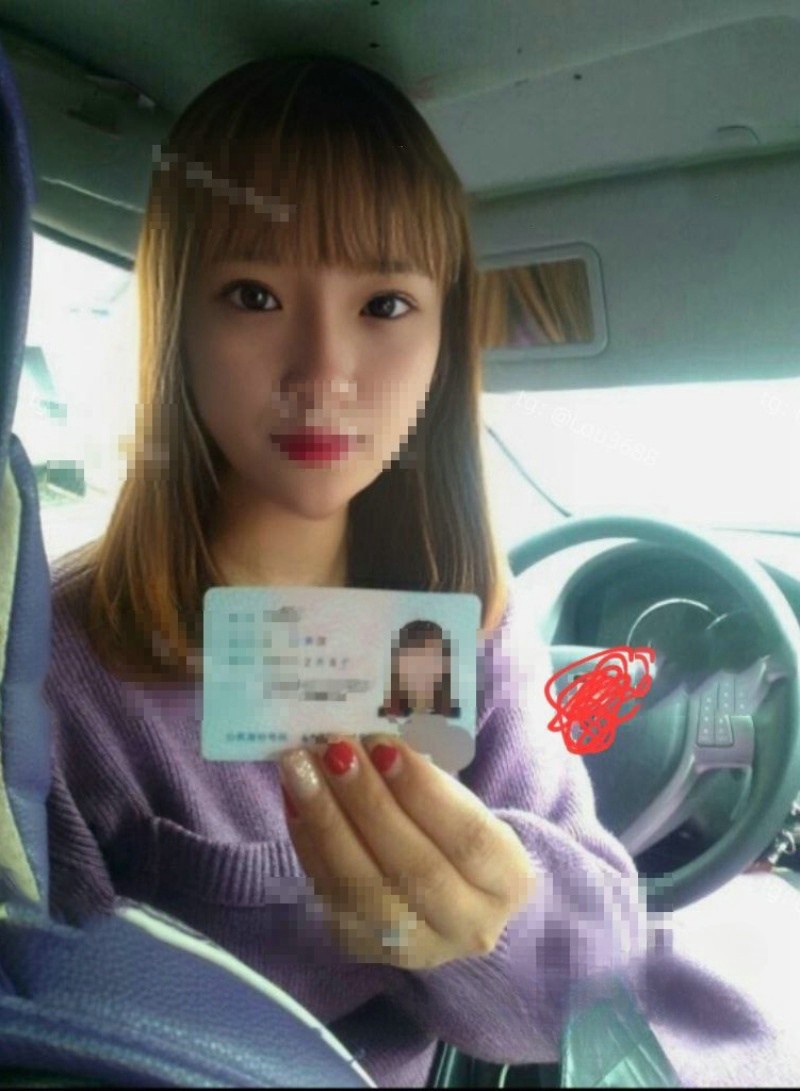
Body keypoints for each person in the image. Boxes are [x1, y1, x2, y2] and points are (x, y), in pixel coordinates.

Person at [44, 54, 646, 1088]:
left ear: (445, 337)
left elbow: (595, 987)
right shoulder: (60, 665)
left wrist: (490, 921)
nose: (322, 375)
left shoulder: (476, 626)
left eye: (385, 304)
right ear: (175, 322)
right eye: (253, 294)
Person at [378, 619, 472, 772]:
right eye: (414, 661)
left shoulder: (457, 721)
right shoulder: (383, 716)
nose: (422, 671)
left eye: (431, 661)